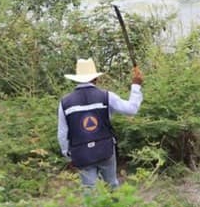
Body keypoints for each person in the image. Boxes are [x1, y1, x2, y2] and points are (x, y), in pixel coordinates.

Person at [57, 58, 144, 189]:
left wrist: (68, 154)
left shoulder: (65, 102)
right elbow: (131, 109)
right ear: (95, 79)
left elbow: (62, 134)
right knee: (112, 185)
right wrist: (136, 85)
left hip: (81, 152)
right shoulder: (106, 96)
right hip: (105, 149)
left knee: (89, 189)